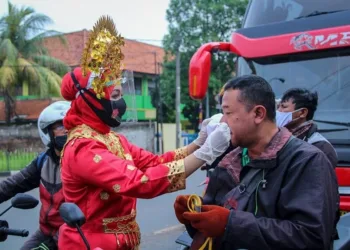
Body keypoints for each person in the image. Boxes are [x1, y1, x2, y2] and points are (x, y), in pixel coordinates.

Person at [58, 15, 231, 250]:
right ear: (93, 101)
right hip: (91, 244)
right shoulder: (83, 147)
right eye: (115, 97)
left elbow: (155, 162)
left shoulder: (111, 138)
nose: (121, 104)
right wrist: (206, 154)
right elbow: (139, 182)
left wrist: (199, 144)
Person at [174, 75, 339, 250]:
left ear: (258, 114)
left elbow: (310, 237)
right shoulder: (230, 160)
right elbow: (216, 228)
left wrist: (229, 223)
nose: (222, 122)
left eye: (228, 113)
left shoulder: (307, 161)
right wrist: (195, 215)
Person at [0, 101, 71, 250]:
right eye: (60, 126)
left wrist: (49, 245)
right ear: (47, 132)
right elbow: (13, 184)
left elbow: (87, 210)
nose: (66, 130)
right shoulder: (43, 161)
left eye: (70, 125)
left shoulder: (82, 163)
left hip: (72, 236)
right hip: (46, 233)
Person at [277, 88, 338, 168]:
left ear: (302, 113)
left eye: (284, 107)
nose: (278, 111)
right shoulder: (277, 139)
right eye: (278, 107)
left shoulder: (321, 147)